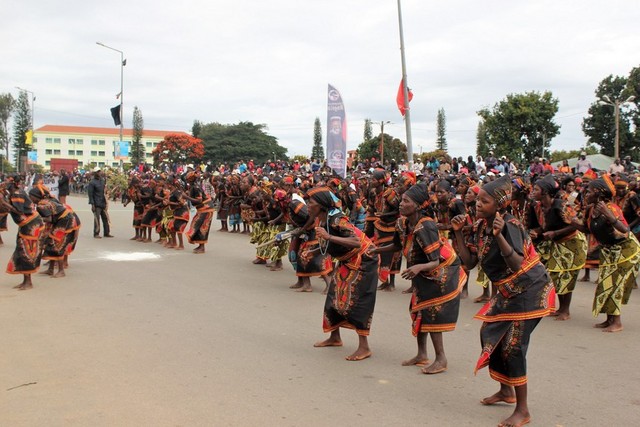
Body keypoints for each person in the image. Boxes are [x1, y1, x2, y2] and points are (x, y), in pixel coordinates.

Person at [451, 176, 556, 427]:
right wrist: (456, 234)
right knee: (491, 334)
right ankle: (506, 391)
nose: (477, 204)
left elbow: (517, 263)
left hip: (530, 290)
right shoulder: (479, 227)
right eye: (477, 199)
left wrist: (499, 236)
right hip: (509, 291)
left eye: (484, 201)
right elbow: (470, 262)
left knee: (513, 346)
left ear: (499, 205)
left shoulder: (511, 225)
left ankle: (523, 410)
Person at [371, 183, 465, 374]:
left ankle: (441, 359)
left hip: (442, 271)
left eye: (406, 201)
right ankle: (422, 354)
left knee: (432, 313)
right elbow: (397, 246)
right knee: (417, 310)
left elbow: (435, 260)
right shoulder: (403, 223)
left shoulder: (426, 226)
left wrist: (417, 268)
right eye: (402, 200)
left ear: (418, 205)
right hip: (423, 272)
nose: (401, 204)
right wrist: (377, 249)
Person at [307, 186, 378, 361]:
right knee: (333, 296)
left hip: (364, 260)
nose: (308, 205)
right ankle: (335, 337)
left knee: (357, 301)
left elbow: (355, 242)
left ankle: (364, 347)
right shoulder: (323, 220)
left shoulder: (338, 220)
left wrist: (328, 237)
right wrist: (313, 252)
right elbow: (328, 244)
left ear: (322, 206)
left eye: (311, 203)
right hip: (347, 260)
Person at [573, 174, 640, 332]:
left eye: (589, 191)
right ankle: (609, 319)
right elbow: (587, 228)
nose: (585, 194)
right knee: (606, 283)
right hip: (609, 251)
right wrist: (571, 222)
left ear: (598, 192)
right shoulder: (590, 209)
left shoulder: (611, 208)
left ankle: (617, 322)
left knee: (615, 284)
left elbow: (625, 229)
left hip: (626, 251)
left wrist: (609, 215)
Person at [528, 174, 587, 321]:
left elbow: (575, 226)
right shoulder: (539, 207)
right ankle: (559, 308)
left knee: (565, 276)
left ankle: (565, 310)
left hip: (573, 244)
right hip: (558, 244)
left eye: (536, 189)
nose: (533, 192)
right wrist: (537, 232)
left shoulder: (561, 205)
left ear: (546, 192)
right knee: (555, 275)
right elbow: (544, 226)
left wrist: (555, 233)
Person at [0, 176, 45, 290]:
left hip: (30, 225)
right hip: (26, 224)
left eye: (7, 181)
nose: (4, 183)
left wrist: (3, 203)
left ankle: (28, 282)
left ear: (13, 183)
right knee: (22, 250)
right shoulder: (13, 193)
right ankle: (25, 280)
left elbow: (18, 210)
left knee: (26, 251)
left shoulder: (17, 193)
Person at [87, 168, 113, 238]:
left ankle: (106, 232)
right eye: (98, 172)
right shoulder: (92, 182)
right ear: (95, 173)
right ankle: (96, 233)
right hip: (96, 203)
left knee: (105, 218)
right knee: (97, 219)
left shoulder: (102, 181)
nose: (99, 173)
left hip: (103, 202)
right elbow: (90, 194)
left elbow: (105, 191)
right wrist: (92, 204)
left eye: (99, 171)